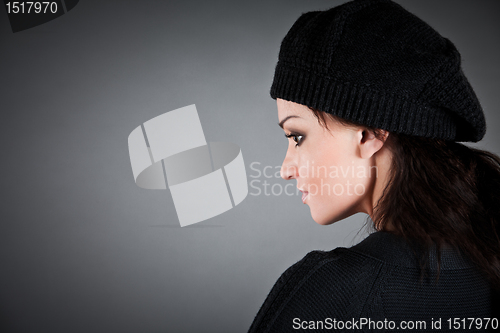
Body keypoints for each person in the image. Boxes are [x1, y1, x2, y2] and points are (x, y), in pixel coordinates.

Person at [248, 0, 500, 332]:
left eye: (297, 136)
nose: (285, 169)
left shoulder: (329, 296)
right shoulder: (488, 267)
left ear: (369, 135)